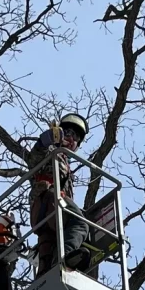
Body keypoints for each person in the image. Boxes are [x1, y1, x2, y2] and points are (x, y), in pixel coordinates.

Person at [27, 113, 94, 276]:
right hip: (47, 201)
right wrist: (47, 139)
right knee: (80, 224)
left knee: (48, 251)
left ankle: (46, 280)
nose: (71, 139)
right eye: (68, 133)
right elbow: (34, 158)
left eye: (76, 137)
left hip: (50, 216)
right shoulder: (51, 152)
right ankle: (64, 262)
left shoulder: (65, 163)